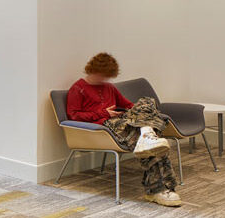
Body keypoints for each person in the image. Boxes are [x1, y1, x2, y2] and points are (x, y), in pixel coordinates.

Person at [66, 52, 182, 207]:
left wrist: (144, 113)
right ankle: (159, 190)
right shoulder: (78, 88)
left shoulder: (109, 87)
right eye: (103, 76)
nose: (105, 80)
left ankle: (147, 134)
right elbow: (73, 116)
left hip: (124, 120)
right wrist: (104, 113)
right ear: (92, 70)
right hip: (106, 126)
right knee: (154, 143)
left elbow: (129, 105)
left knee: (147, 102)